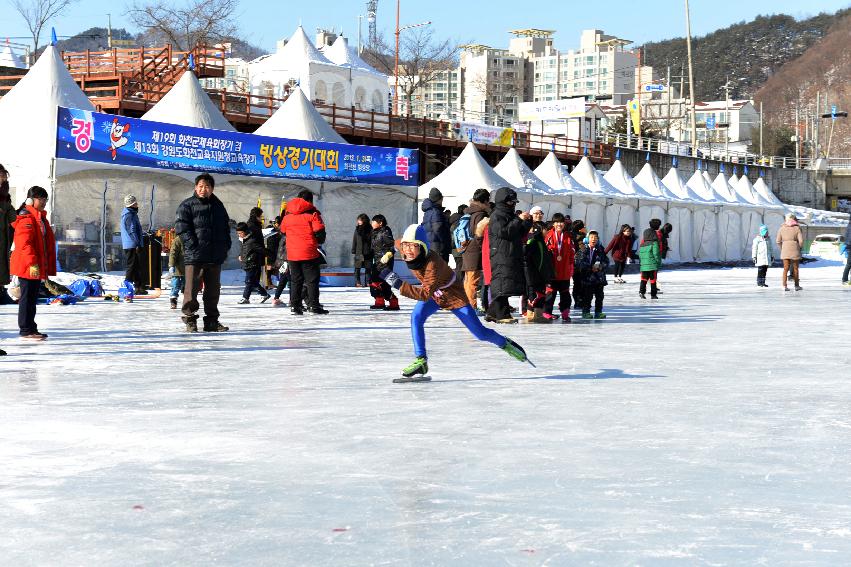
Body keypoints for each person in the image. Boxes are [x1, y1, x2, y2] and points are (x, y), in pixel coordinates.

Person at [379, 224, 529, 379]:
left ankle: (505, 343)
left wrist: (395, 282)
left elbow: (424, 294)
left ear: (423, 247)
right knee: (416, 317)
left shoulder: (432, 264)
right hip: (435, 293)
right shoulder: (406, 249)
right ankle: (421, 361)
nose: (408, 250)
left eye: (413, 246)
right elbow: (398, 242)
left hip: (453, 295)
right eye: (406, 246)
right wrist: (391, 252)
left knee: (480, 333)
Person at [174, 173, 232, 332]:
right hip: (195, 256)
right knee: (191, 290)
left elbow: (226, 228)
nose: (203, 189)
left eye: (207, 186)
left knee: (213, 291)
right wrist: (192, 245)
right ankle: (190, 319)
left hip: (215, 255)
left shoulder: (218, 206)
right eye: (200, 186)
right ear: (195, 187)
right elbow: (181, 227)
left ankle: (212, 321)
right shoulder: (187, 205)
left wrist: (225, 246)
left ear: (212, 188)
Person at [10, 186, 55, 340]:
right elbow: (25, 244)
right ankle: (25, 329)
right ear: (31, 199)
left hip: (35, 265)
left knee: (32, 298)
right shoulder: (26, 217)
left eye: (45, 199)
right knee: (27, 297)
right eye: (40, 199)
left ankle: (31, 327)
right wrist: (33, 264)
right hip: (27, 265)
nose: (43, 202)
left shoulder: (40, 217)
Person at [485, 187, 531, 323]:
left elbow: (518, 232)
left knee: (506, 284)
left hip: (509, 253)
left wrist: (526, 222)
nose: (513, 205)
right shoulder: (497, 215)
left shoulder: (509, 215)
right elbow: (504, 231)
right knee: (501, 283)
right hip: (501, 253)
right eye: (511, 202)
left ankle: (493, 313)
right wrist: (518, 220)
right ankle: (501, 314)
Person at [280, 189, 328, 314]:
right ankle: (313, 306)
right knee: (311, 281)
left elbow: (283, 230)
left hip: (292, 253)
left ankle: (295, 306)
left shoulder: (287, 215)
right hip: (309, 252)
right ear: (310, 200)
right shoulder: (313, 214)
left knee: (296, 280)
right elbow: (320, 233)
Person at [461, 189, 490, 311]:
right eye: (488, 200)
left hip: (467, 249)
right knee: (473, 280)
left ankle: (467, 305)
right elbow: (478, 233)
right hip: (474, 250)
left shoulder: (469, 212)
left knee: (468, 280)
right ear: (484, 201)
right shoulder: (480, 214)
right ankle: (471, 307)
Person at [543, 212, 574, 322]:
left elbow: (571, 254)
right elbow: (545, 254)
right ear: (553, 223)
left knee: (565, 294)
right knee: (550, 294)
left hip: (564, 271)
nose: (559, 224)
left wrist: (571, 267)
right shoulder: (549, 236)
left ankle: (565, 313)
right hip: (552, 271)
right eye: (556, 222)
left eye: (561, 222)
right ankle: (547, 312)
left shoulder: (568, 237)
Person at [523, 221, 554, 323]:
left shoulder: (541, 241)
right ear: (540, 230)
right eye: (545, 229)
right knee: (534, 296)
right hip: (534, 274)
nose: (547, 231)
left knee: (541, 295)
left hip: (541, 275)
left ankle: (538, 315)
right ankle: (530, 315)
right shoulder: (534, 241)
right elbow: (526, 257)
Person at [368, 214, 399, 310]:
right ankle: (379, 301)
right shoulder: (374, 233)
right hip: (376, 262)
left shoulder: (385, 232)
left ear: (380, 223)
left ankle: (394, 303)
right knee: (374, 282)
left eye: (374, 221)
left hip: (385, 262)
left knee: (385, 283)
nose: (372, 223)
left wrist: (389, 254)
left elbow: (394, 246)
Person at [575, 230, 609, 319]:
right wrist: (590, 267)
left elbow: (606, 261)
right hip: (587, 277)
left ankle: (598, 312)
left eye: (596, 237)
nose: (594, 239)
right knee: (587, 296)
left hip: (599, 278)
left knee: (600, 296)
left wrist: (601, 266)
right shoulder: (582, 249)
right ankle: (586, 312)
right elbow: (578, 262)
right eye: (592, 237)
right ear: (587, 239)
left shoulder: (600, 249)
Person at [236, 221, 271, 304]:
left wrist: (271, 255)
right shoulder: (244, 239)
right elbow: (245, 250)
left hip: (253, 264)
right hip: (247, 263)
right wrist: (241, 255)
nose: (239, 235)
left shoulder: (252, 241)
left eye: (240, 233)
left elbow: (262, 250)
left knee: (248, 281)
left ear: (245, 232)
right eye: (238, 233)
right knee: (254, 282)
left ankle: (245, 298)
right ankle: (265, 294)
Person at [120, 194, 145, 296]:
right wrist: (137, 243)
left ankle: (138, 287)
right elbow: (132, 230)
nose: (137, 205)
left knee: (136, 266)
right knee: (131, 266)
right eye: (135, 203)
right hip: (131, 245)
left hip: (132, 244)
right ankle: (127, 286)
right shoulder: (129, 215)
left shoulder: (132, 214)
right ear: (132, 204)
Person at [421, 187, 451, 262]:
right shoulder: (436, 212)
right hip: (439, 248)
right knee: (439, 271)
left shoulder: (427, 212)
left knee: (433, 270)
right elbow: (438, 229)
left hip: (430, 247)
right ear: (438, 199)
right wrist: (445, 243)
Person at [776, 212, 804, 292]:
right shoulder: (797, 228)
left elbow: (778, 241)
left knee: (785, 269)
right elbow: (801, 241)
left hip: (785, 249)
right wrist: (799, 248)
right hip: (795, 249)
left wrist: (782, 248)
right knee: (795, 269)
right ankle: (796, 285)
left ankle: (784, 285)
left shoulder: (781, 228)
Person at [0, 164, 16, 305]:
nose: (3, 179)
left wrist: (23, 211)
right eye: (1, 176)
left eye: (4, 176)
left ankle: (1, 290)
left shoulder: (5, 196)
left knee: (2, 263)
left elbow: (12, 217)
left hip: (4, 236)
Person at [638, 227, 661, 299]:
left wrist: (642, 264)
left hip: (644, 266)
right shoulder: (654, 244)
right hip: (652, 265)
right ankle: (653, 294)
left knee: (644, 279)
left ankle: (641, 292)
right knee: (653, 280)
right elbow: (656, 254)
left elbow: (640, 255)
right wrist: (658, 263)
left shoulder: (642, 245)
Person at [351, 213, 372, 287]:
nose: (358, 221)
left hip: (368, 251)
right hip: (359, 252)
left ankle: (368, 282)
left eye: (360, 220)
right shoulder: (357, 229)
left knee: (368, 268)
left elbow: (372, 241)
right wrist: (353, 250)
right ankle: (358, 282)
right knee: (357, 268)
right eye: (358, 220)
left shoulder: (370, 229)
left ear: (364, 220)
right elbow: (355, 240)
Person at [448, 204, 469, 279]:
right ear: (463, 210)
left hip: (454, 248)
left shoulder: (453, 221)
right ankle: (458, 285)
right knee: (460, 268)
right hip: (459, 248)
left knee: (459, 267)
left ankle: (458, 284)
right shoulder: (460, 222)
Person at [168, 232, 185, 309]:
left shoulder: (191, 239)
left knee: (187, 286)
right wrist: (171, 265)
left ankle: (187, 301)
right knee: (175, 285)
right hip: (177, 268)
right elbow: (173, 254)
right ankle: (173, 300)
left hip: (188, 268)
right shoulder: (177, 240)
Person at [842, 219, 851, 286]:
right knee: (849, 264)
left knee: (849, 264)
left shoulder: (849, 224)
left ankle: (845, 279)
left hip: (849, 245)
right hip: (850, 246)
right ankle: (844, 279)